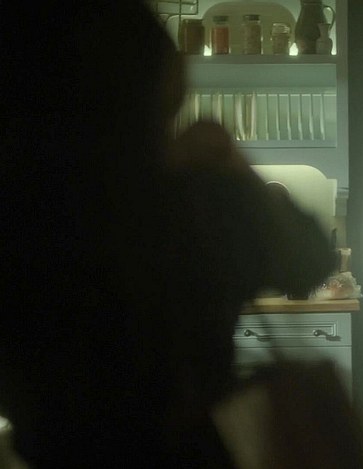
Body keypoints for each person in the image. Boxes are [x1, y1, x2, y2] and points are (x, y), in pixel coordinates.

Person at [0, 2, 344, 467]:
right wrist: (232, 165)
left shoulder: (26, 211)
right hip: (189, 451)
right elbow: (310, 259)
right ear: (168, 87)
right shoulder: (198, 199)